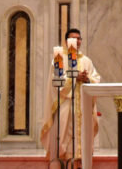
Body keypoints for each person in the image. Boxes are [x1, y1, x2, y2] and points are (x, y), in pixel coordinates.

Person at [41, 28, 101, 166]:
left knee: (82, 142)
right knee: (64, 141)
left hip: (83, 107)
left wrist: (87, 79)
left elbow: (95, 78)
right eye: (73, 38)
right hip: (65, 105)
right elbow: (56, 82)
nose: (77, 41)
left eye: (79, 38)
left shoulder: (86, 60)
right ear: (66, 41)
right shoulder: (59, 57)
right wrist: (74, 78)